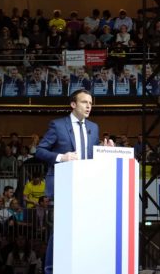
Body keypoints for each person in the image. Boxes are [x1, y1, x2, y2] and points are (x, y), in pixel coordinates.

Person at [35, 89, 112, 274]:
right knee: (62, 229)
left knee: (83, 228)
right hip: (63, 185)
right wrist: (62, 157)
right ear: (73, 104)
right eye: (85, 102)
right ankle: (51, 268)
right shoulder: (57, 125)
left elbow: (91, 155)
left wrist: (106, 150)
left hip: (86, 185)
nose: (88, 106)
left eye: (91, 103)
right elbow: (40, 151)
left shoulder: (94, 127)